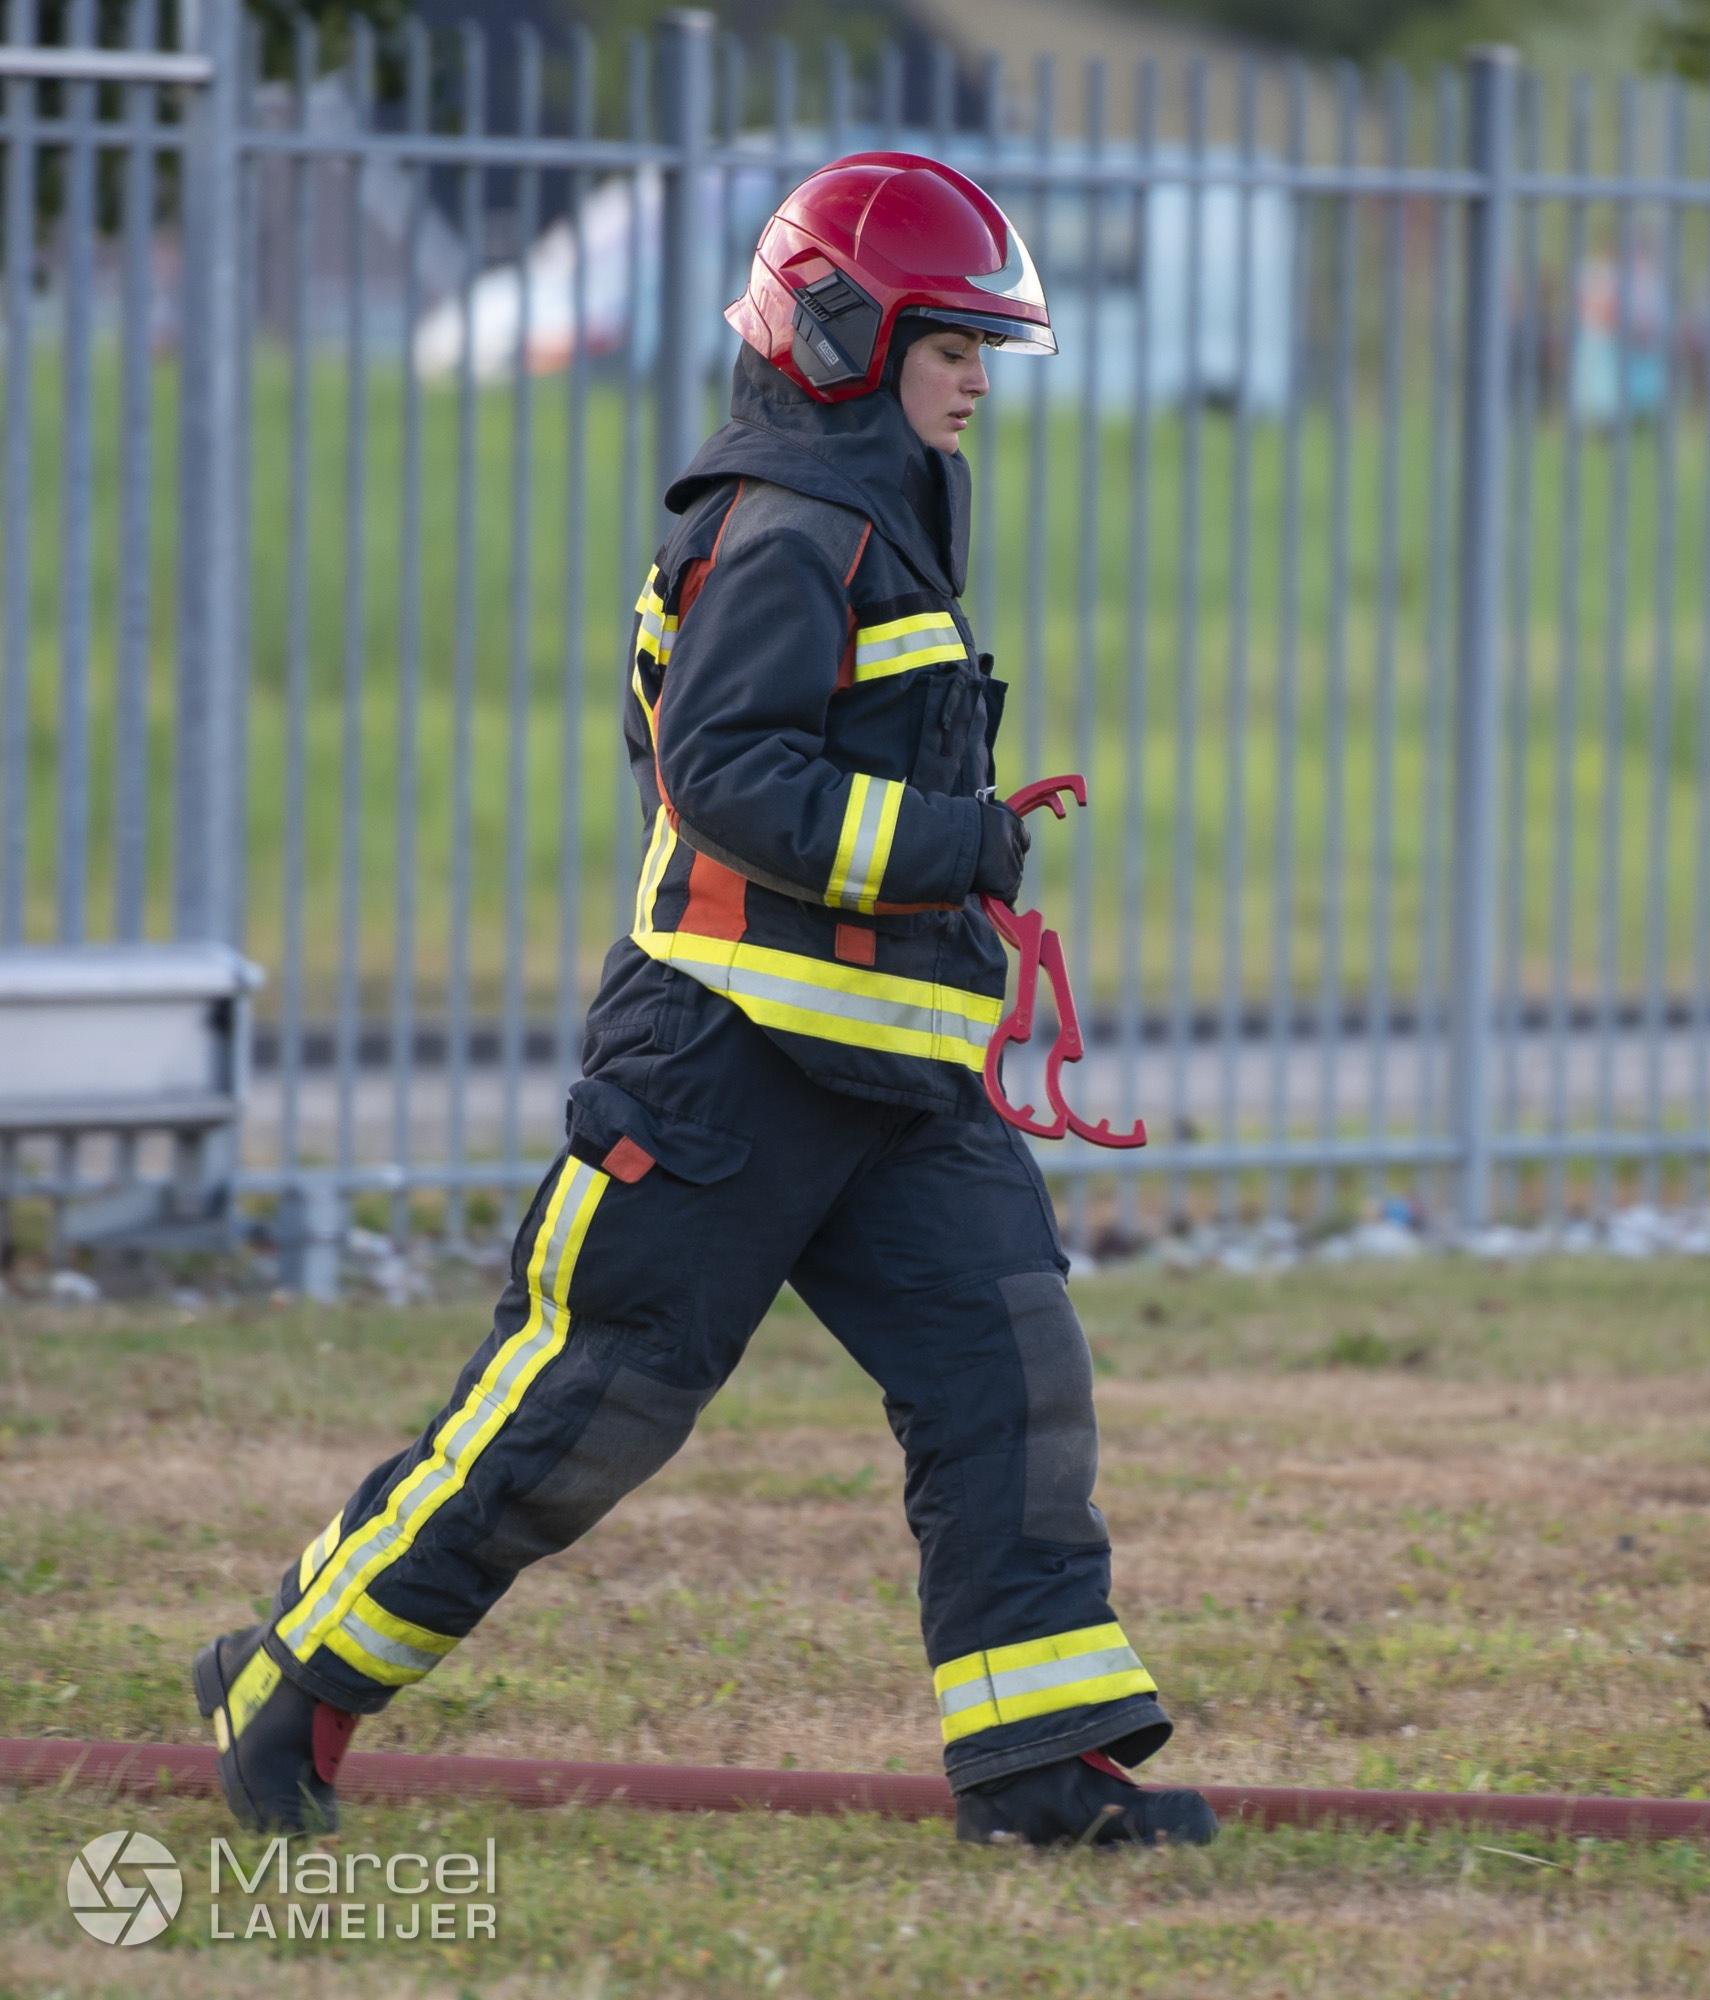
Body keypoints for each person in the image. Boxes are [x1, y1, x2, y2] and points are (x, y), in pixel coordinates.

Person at [191, 152, 1214, 1852]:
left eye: (983, 348)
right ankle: (292, 1685)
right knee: (580, 1414)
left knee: (1009, 1382)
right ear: (843, 336)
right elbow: (721, 772)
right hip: (722, 1076)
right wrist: (958, 842)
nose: (976, 378)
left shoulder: (870, 516)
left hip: (895, 1088)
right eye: (950, 344)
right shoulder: (790, 529)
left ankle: (1039, 1771)